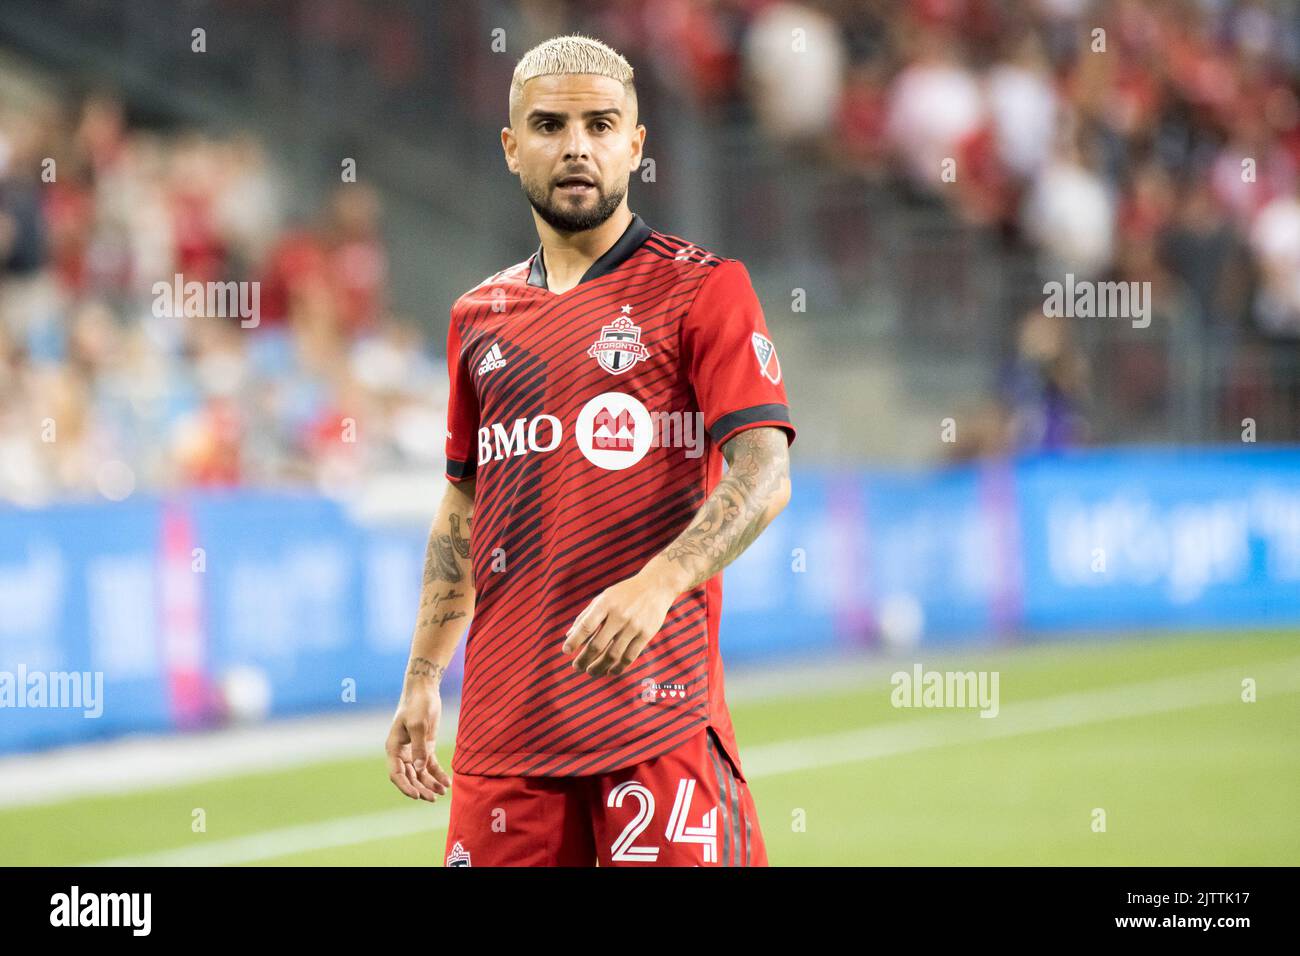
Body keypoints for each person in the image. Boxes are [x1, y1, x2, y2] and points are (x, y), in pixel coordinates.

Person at [385, 34, 796, 866]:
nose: (576, 145)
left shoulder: (702, 289)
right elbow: (464, 507)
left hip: (654, 717)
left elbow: (764, 472)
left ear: (635, 146)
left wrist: (660, 582)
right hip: (504, 739)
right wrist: (424, 675)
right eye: (548, 125)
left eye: (601, 125)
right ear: (511, 147)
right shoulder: (479, 318)